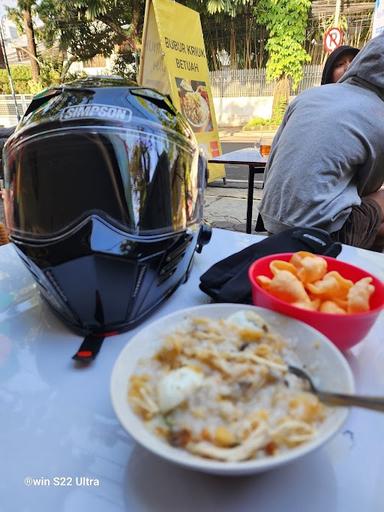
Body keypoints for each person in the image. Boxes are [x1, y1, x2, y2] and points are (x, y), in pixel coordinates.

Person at [258, 34, 384, 251]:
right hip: (325, 234)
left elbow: (273, 161)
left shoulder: (307, 96)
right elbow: (367, 188)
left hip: (272, 223)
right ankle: (357, 265)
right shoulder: (379, 114)